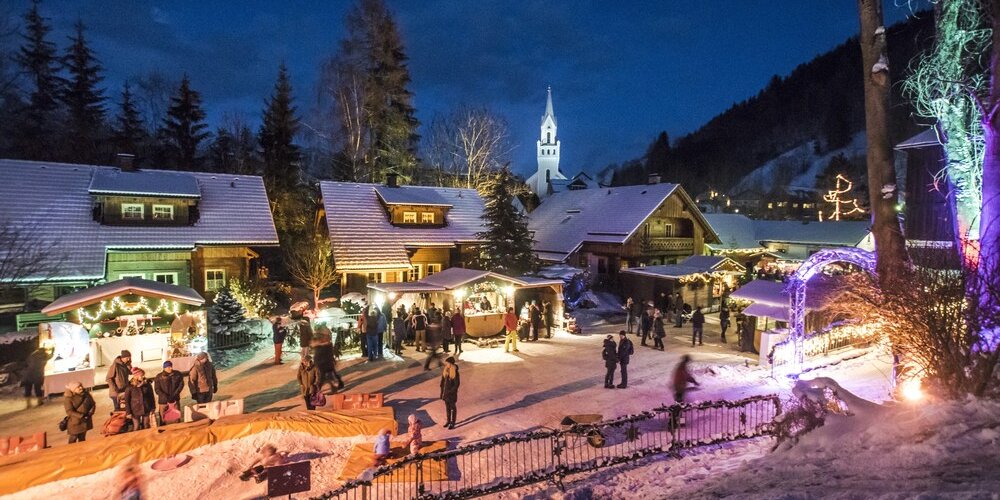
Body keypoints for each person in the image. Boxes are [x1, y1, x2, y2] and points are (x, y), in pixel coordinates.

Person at [440, 356, 460, 429]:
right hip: (445, 393)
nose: (446, 364)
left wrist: (450, 391)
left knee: (452, 408)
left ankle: (452, 422)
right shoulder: (445, 370)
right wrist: (442, 390)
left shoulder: (455, 372)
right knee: (447, 408)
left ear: (451, 364)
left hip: (451, 394)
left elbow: (456, 384)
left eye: (447, 363)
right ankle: (448, 421)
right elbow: (442, 382)